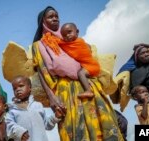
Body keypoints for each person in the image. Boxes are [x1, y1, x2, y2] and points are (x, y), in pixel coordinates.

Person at [32, 6, 124, 141]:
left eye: (56, 16)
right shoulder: (39, 45)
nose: (55, 18)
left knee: (102, 123)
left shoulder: (68, 38)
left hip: (89, 84)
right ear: (43, 22)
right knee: (73, 128)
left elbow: (85, 57)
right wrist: (52, 97)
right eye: (51, 16)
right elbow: (42, 71)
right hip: (65, 90)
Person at [41, 22, 100, 98]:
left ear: (77, 32)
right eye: (64, 35)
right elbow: (60, 42)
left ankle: (88, 91)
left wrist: (49, 38)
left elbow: (59, 42)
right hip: (87, 66)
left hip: (92, 66)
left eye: (69, 32)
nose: (67, 36)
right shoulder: (71, 43)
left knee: (80, 74)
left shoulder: (79, 41)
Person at [5, 75, 63, 141]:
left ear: (30, 88)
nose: (18, 90)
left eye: (21, 86)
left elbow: (47, 125)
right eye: (14, 88)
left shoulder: (38, 106)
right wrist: (19, 132)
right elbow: (9, 126)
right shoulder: (12, 111)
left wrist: (55, 116)